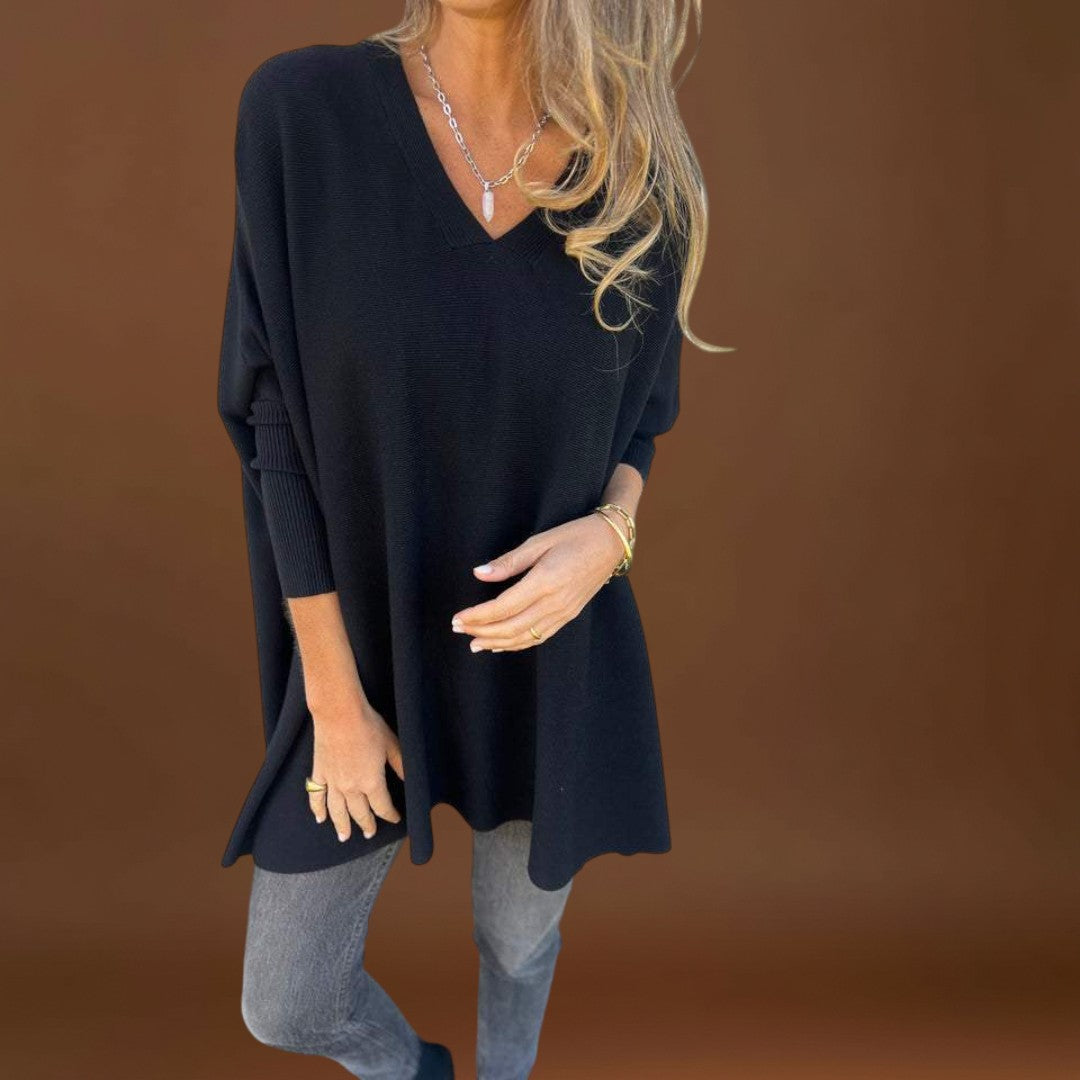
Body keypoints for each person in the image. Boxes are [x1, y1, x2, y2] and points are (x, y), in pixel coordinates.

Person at [216, 2, 720, 1076]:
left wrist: (611, 537)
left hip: (544, 648)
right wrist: (333, 700)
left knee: (518, 943)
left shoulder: (641, 173)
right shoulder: (303, 113)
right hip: (358, 648)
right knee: (290, 999)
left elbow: (641, 420)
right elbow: (273, 419)